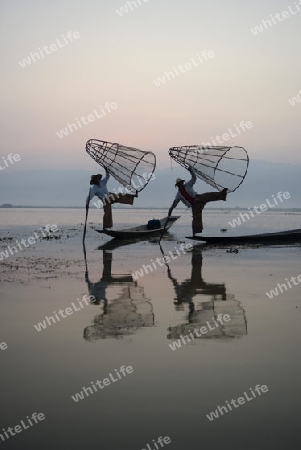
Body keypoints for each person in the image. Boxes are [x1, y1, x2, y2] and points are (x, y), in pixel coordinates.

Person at [167, 168, 228, 235]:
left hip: (198, 197)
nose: (180, 185)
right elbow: (174, 205)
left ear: (182, 183)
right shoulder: (178, 195)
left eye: (181, 183)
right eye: (179, 184)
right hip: (194, 205)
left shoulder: (188, 185)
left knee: (209, 195)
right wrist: (169, 213)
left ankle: (222, 195)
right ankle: (195, 233)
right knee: (196, 218)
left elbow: (194, 178)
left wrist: (191, 171)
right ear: (177, 185)